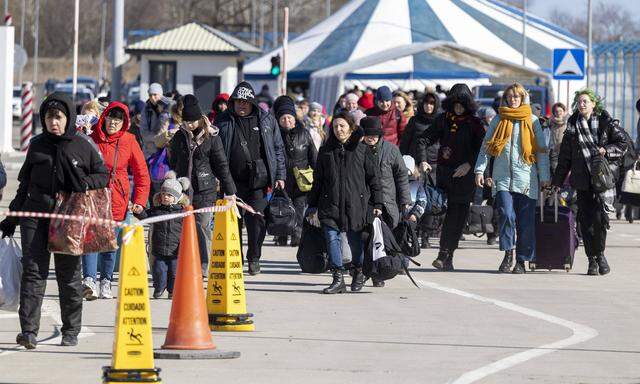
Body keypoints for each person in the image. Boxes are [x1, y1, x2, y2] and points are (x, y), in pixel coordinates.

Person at [0, 93, 109, 349]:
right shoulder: (37, 144)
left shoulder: (82, 144)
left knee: (68, 275)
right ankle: (29, 331)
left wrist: (85, 182)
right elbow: (24, 183)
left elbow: (103, 175)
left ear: (68, 117)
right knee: (33, 273)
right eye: (49, 117)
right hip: (36, 215)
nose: (54, 122)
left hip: (68, 217)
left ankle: (71, 330)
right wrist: (13, 216)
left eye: (58, 117)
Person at [475, 83, 551, 274]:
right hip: (502, 178)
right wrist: (479, 170)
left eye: (517, 96)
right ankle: (508, 252)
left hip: (526, 179)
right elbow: (486, 146)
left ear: (523, 98)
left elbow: (541, 152)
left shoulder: (532, 121)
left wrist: (545, 177)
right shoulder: (498, 119)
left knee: (525, 221)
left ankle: (521, 260)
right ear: (506, 99)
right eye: (510, 97)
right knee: (507, 215)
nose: (513, 99)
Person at [552, 89, 627, 276]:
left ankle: (600, 254)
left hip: (603, 180)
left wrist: (607, 150)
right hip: (582, 180)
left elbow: (623, 144)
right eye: (579, 101)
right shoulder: (572, 126)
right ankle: (592, 260)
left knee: (600, 220)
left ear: (594, 104)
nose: (582, 104)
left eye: (585, 101)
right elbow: (565, 157)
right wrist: (557, 182)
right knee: (585, 222)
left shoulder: (606, 122)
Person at [307, 111, 383, 294]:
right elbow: (318, 180)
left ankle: (358, 272)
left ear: (351, 127)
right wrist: (313, 204)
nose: (338, 129)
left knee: (355, 242)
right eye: (335, 126)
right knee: (331, 237)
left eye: (342, 126)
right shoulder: (326, 150)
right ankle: (338, 278)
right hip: (330, 203)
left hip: (355, 205)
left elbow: (374, 179)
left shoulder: (362, 149)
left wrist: (378, 204)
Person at [216, 82, 286, 275]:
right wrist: (217, 177)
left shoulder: (266, 120)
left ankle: (254, 256)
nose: (241, 105)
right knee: (233, 222)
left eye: (245, 102)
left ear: (252, 103)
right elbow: (214, 151)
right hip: (231, 181)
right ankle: (235, 257)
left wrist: (280, 175)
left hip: (259, 182)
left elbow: (277, 149)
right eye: (238, 102)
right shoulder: (223, 120)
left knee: (257, 221)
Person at [82, 102, 151, 300]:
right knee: (91, 238)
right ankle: (89, 280)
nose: (114, 122)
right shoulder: (91, 137)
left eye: (119, 119)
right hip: (93, 195)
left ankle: (106, 280)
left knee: (110, 242)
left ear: (125, 122)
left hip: (117, 198)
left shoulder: (129, 140)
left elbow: (141, 173)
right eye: (111, 117)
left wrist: (139, 200)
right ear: (104, 118)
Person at [416, 84, 485, 271]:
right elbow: (423, 139)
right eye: (455, 103)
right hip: (445, 174)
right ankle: (445, 254)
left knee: (458, 215)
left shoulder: (475, 123)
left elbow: (484, 148)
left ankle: (446, 254)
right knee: (444, 214)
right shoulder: (443, 119)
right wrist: (423, 161)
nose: (458, 107)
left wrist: (469, 164)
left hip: (465, 177)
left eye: (462, 104)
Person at [169, 94, 237, 275]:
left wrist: (230, 191)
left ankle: (203, 266)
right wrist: (171, 182)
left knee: (203, 226)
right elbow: (173, 162)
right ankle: (182, 265)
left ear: (199, 118)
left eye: (192, 121)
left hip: (205, 189)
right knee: (180, 227)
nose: (189, 125)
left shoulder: (212, 137)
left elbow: (222, 165)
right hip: (182, 189)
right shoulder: (179, 137)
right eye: (186, 121)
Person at [361, 116, 411, 287]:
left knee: (380, 241)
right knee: (366, 238)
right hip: (363, 204)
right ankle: (363, 271)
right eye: (368, 135)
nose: (371, 138)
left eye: (374, 135)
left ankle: (378, 273)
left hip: (387, 205)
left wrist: (405, 200)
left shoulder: (391, 150)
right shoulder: (357, 150)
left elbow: (402, 175)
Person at [274, 96, 318, 246]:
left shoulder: (304, 134)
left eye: (289, 117)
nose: (287, 121)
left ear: (294, 117)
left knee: (299, 208)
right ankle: (281, 235)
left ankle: (297, 235)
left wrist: (318, 174)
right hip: (282, 179)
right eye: (283, 118)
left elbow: (313, 156)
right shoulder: (275, 135)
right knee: (282, 208)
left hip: (301, 180)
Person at [139, 171, 190, 299]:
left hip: (175, 250)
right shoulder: (157, 211)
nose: (165, 197)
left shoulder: (182, 213)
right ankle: (159, 287)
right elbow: (146, 216)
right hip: (159, 249)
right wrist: (139, 212)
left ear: (177, 197)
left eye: (169, 195)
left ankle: (172, 291)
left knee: (174, 273)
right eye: (163, 194)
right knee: (158, 271)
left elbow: (189, 228)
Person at [139, 83, 171, 157]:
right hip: (150, 152)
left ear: (161, 94)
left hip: (167, 151)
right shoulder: (146, 110)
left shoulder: (170, 107)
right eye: (150, 95)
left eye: (155, 95)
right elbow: (144, 133)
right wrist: (158, 138)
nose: (153, 98)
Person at [548, 102, 568, 174]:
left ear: (564, 112)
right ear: (554, 113)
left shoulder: (568, 123)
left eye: (560, 111)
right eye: (556, 111)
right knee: (555, 172)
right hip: (554, 152)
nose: (558, 113)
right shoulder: (550, 123)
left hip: (564, 151)